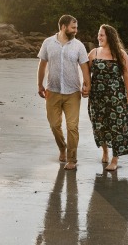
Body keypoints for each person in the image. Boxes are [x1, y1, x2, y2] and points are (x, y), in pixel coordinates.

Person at [37, 15, 91, 170]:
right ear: (63, 27)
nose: (76, 30)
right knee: (54, 125)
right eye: (73, 27)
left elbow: (85, 68)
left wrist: (88, 86)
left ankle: (72, 159)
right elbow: (42, 65)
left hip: (73, 93)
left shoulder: (79, 46)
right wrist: (39, 85)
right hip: (52, 91)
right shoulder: (48, 43)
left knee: (72, 126)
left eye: (76, 27)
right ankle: (62, 148)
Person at [87, 24, 128, 171]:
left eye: (102, 35)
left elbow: (126, 76)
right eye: (98, 34)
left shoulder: (120, 54)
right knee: (99, 126)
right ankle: (105, 151)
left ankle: (115, 159)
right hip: (97, 97)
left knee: (117, 126)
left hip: (116, 97)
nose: (99, 37)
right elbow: (86, 74)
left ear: (110, 37)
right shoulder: (93, 53)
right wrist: (85, 87)